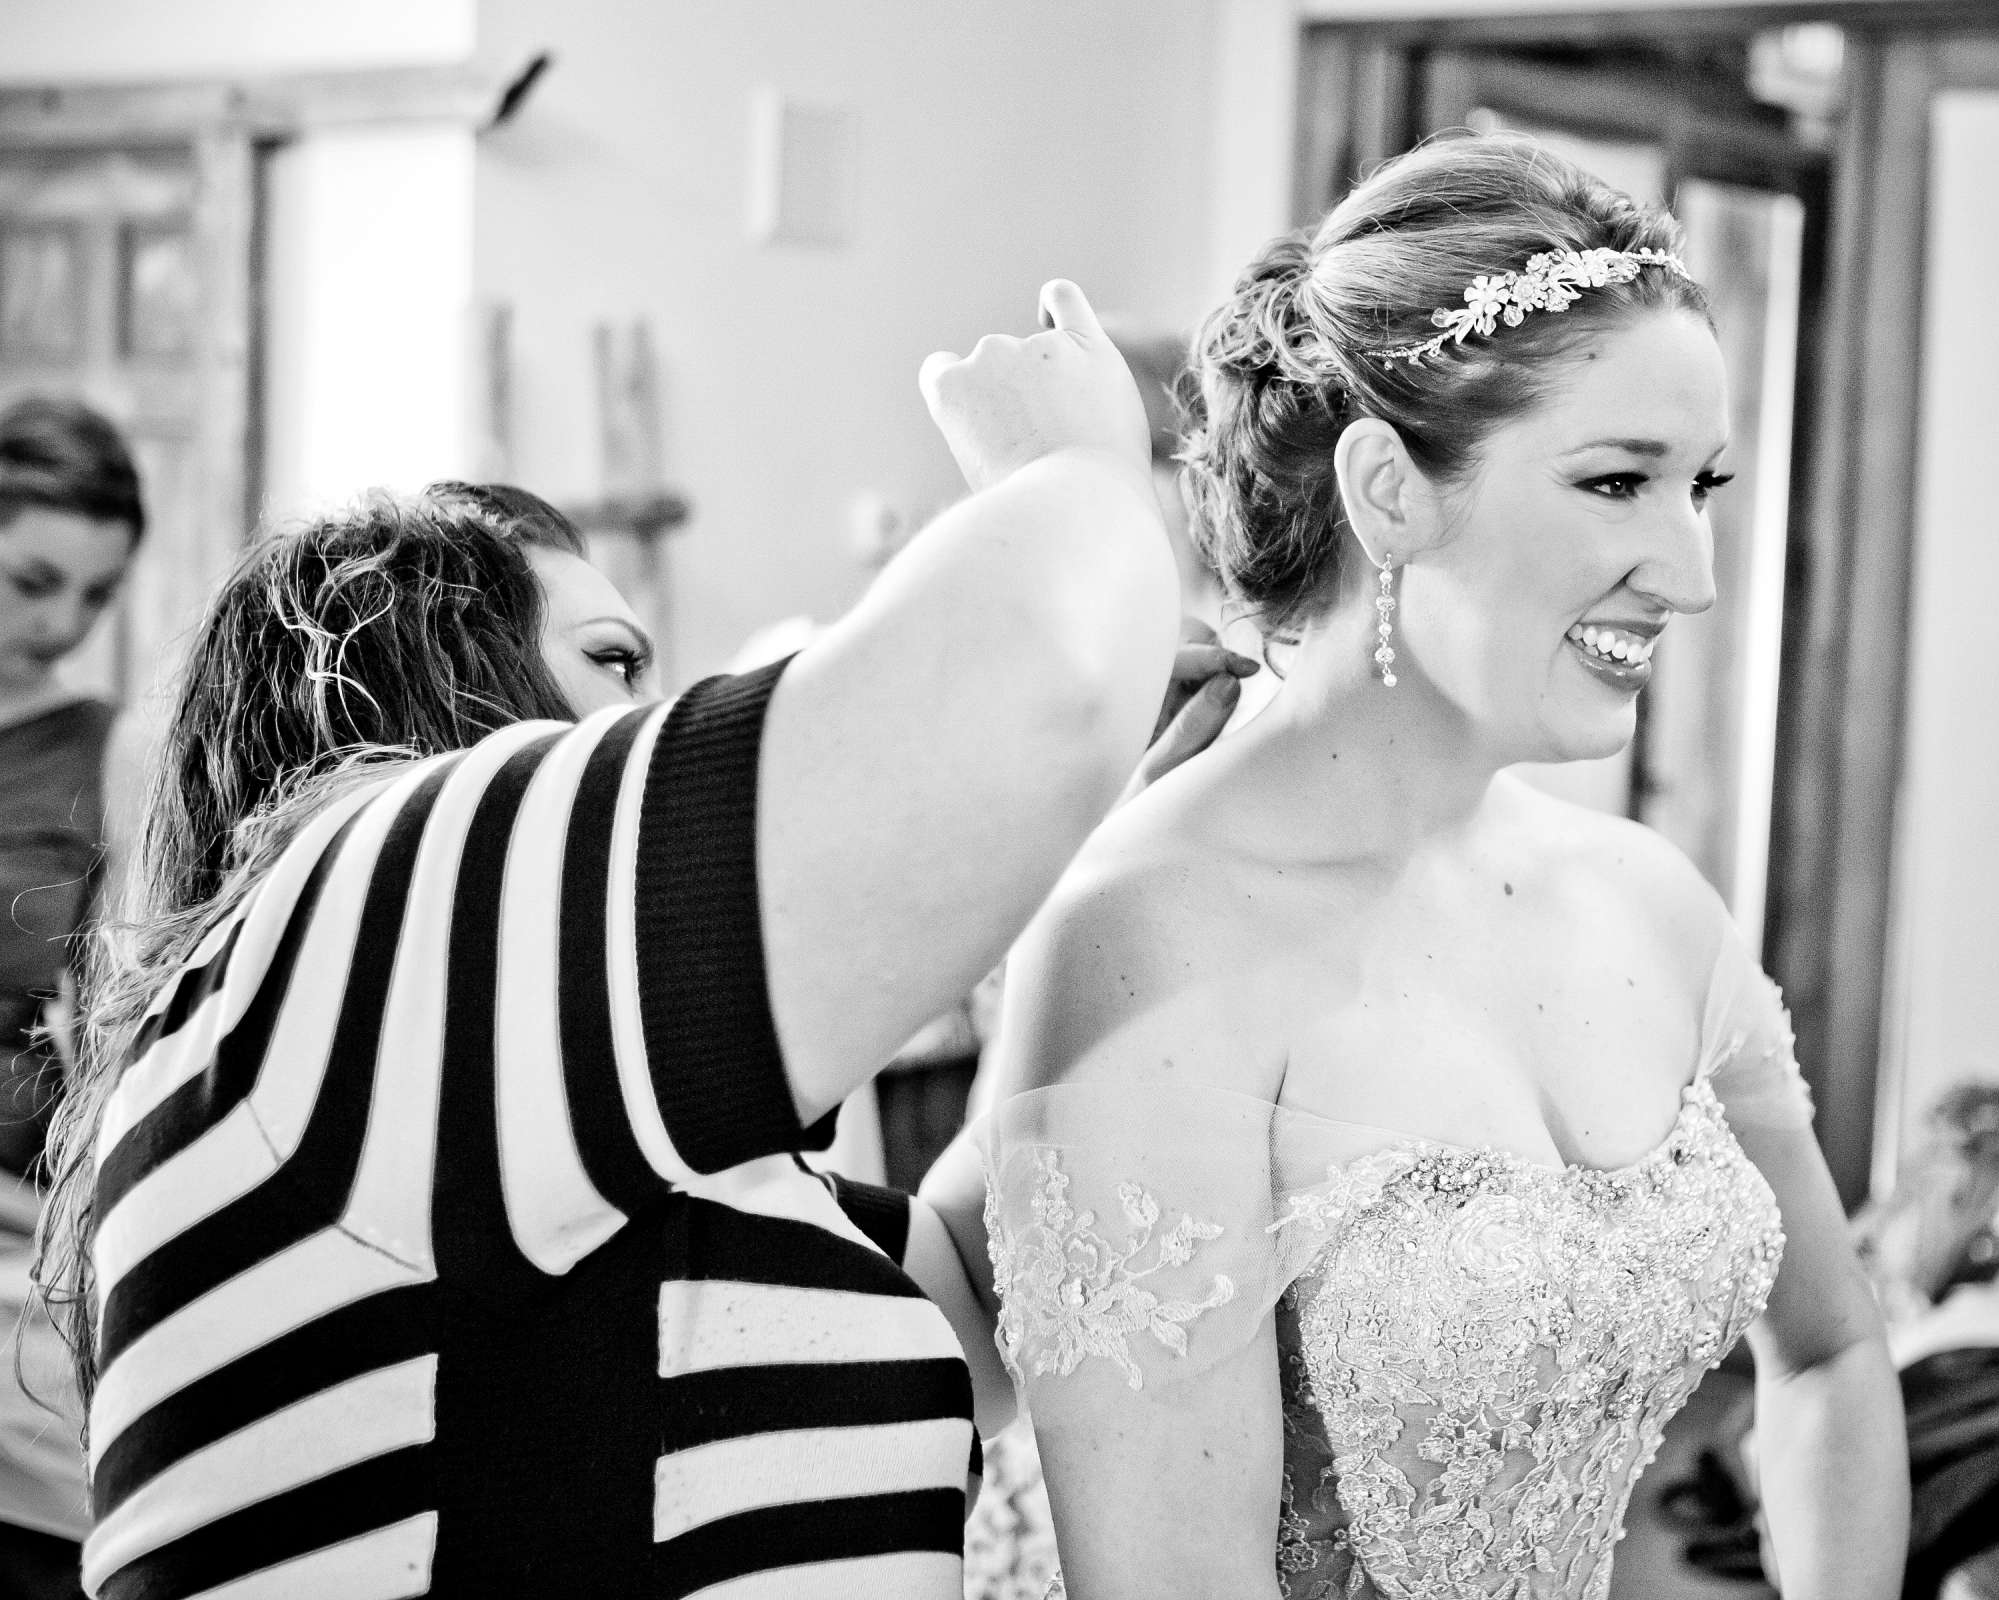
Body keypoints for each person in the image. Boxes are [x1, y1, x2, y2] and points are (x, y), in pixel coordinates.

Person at [40, 283, 1185, 1599]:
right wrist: (1071, 469)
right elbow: (1047, 661)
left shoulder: (574, 1125)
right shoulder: (365, 912)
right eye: (615, 661)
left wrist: (1118, 869)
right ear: (427, 696)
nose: (673, 706)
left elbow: (989, 1311)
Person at [924, 135, 1907, 1600]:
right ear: (1386, 489)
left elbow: (1830, 1352)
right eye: (1619, 482)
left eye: (1698, 485)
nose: (1693, 571)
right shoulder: (1152, 937)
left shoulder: (1653, 902)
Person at [0, 396, 143, 1599]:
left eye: (94, 597)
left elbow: (120, 1032)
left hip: (26, 1237)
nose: (59, 626)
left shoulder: (112, 748)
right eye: (31, 580)